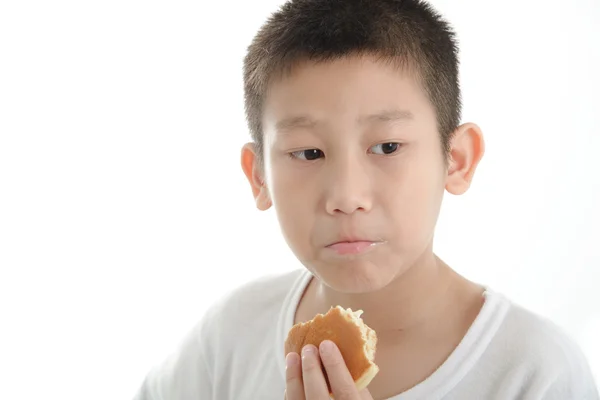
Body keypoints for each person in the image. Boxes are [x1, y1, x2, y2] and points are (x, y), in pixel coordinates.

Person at [134, 0, 599, 398]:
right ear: (259, 177)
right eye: (309, 153)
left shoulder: (536, 373)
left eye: (387, 147)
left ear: (455, 159)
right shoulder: (232, 335)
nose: (347, 197)